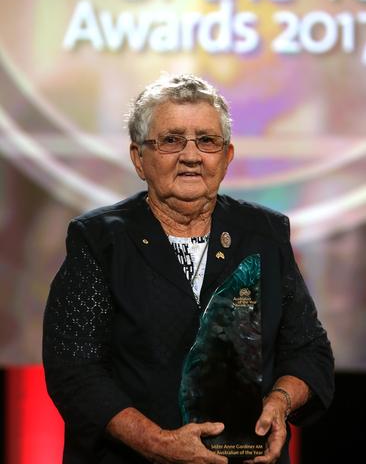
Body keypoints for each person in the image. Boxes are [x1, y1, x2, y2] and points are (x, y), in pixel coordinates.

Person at [43, 74, 334, 464]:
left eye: (207, 141)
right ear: (138, 158)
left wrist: (280, 403)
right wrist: (158, 443)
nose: (192, 155)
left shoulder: (265, 234)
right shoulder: (100, 240)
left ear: (226, 157)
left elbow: (308, 351)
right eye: (171, 140)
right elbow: (75, 370)